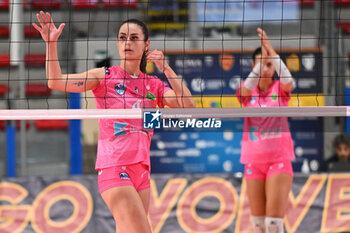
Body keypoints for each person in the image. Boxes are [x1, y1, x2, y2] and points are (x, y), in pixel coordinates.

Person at [33, 11, 195, 233]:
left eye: (134, 38)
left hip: (142, 170)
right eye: (122, 37)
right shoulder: (105, 76)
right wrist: (51, 44)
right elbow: (55, 81)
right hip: (115, 167)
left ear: (146, 44)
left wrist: (166, 69)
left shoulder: (154, 84)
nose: (127, 42)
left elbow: (189, 106)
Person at [236, 28, 295, 233]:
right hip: (253, 160)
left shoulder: (280, 88)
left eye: (270, 65)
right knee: (258, 224)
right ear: (254, 66)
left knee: (273, 224)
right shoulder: (245, 90)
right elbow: (245, 89)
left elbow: (289, 81)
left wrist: (273, 54)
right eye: (262, 64)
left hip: (279, 158)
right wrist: (262, 62)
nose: (266, 69)